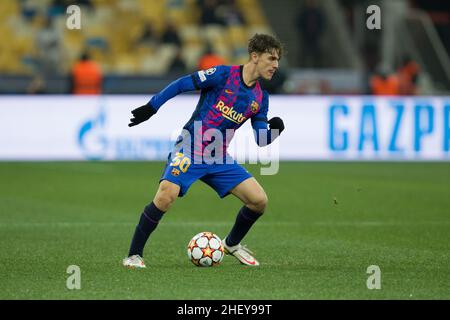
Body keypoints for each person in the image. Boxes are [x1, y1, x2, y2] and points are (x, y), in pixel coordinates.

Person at [123, 33, 285, 268]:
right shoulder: (222, 75)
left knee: (259, 201)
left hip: (219, 157)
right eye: (271, 58)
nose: (276, 65)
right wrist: (152, 107)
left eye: (277, 60)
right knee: (166, 195)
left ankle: (231, 244)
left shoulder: (261, 98)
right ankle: (134, 255)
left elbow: (261, 139)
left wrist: (275, 132)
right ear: (255, 56)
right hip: (190, 147)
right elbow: (182, 84)